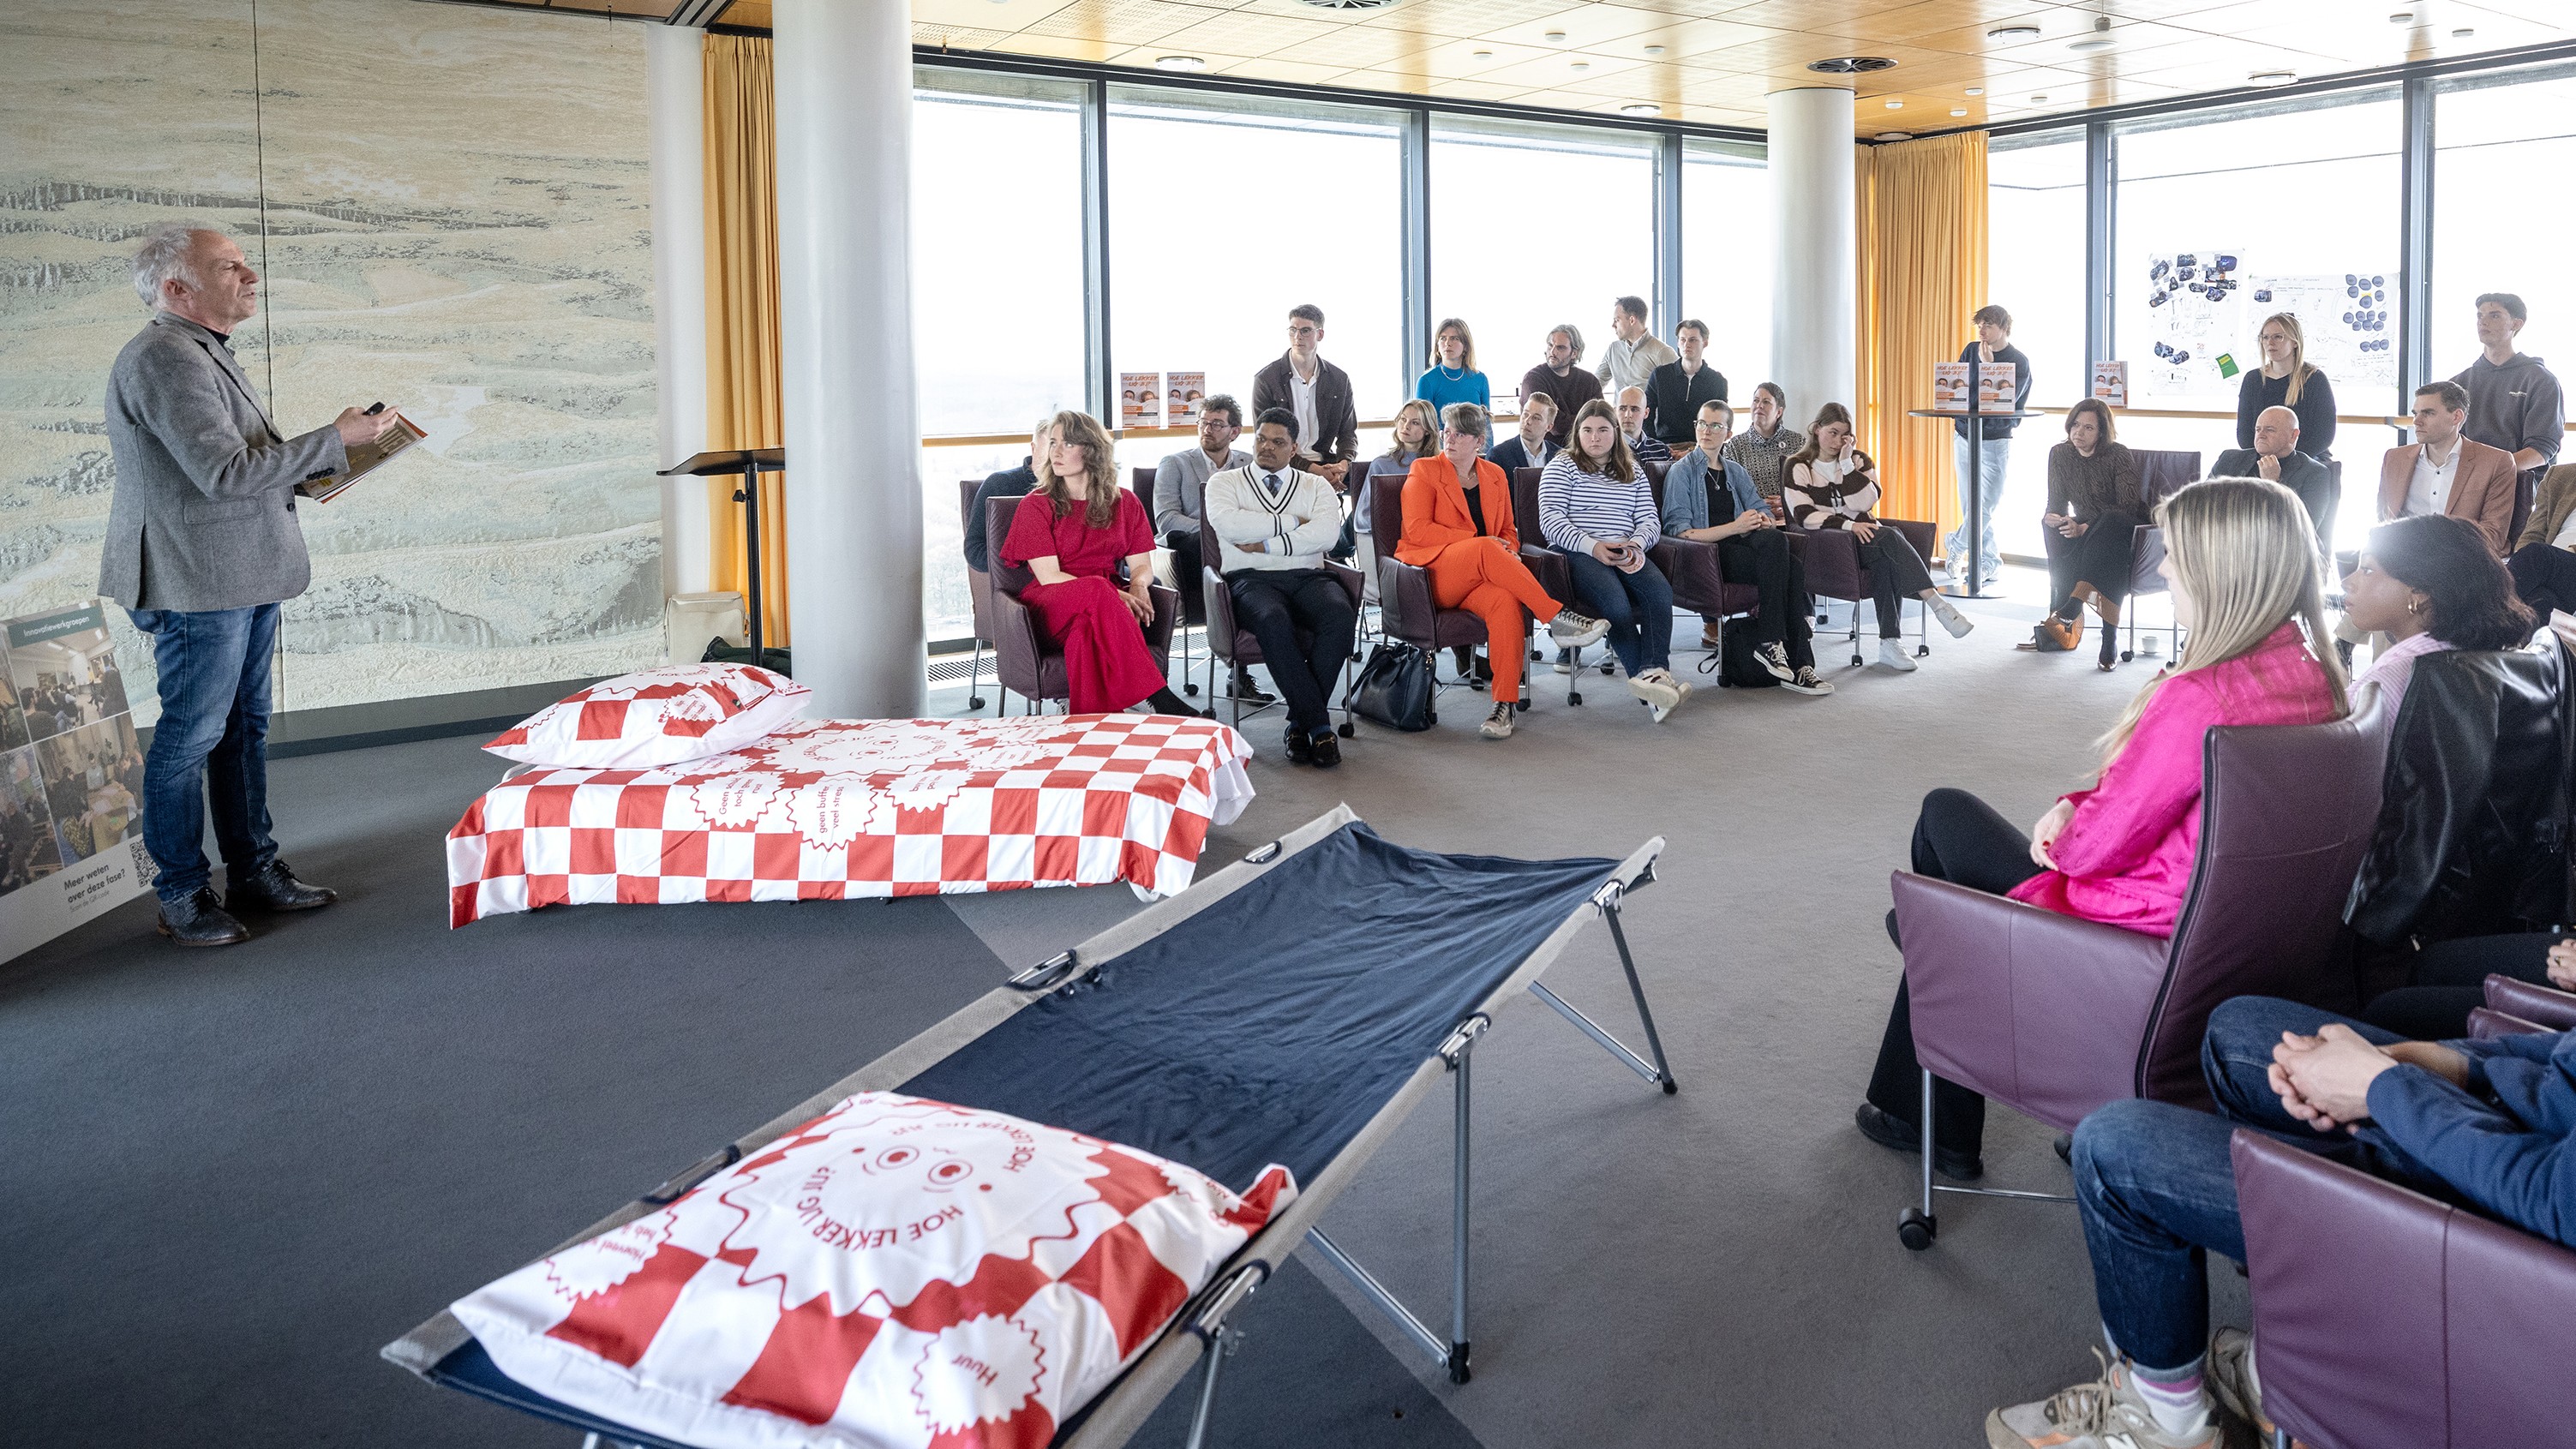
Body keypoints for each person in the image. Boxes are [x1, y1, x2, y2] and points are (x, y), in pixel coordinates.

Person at [1858, 477, 2347, 1183]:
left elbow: (2092, 849)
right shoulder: (2314, 674)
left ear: (2220, 569)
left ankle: (1932, 1098)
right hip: (2224, 941)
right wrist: (2075, 801)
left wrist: (2063, 829)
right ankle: (1938, 1023)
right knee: (1948, 861)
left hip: (2129, 940)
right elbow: (2159, 798)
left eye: (2175, 554)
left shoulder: (2201, 694)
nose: (2165, 569)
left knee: (1942, 827)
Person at [1993, 994, 2576, 1449]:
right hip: (2512, 1134)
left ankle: (2165, 1421)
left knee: (2112, 1150)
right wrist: (2425, 1064)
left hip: (2500, 1242)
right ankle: (2294, 1364)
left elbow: (2555, 1202)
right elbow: (2562, 1059)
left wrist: (2380, 1087)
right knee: (2238, 1036)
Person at [103, 224, 388, 947]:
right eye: (229, 266)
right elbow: (225, 474)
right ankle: (181, 895)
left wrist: (332, 460)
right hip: (197, 581)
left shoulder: (203, 350)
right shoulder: (164, 357)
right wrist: (335, 438)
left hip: (240, 569)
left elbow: (243, 461)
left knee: (241, 729)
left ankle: (253, 872)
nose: (250, 275)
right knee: (191, 736)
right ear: (177, 288)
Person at [1397, 403, 1611, 741]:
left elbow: (1509, 531)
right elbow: (1418, 530)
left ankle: (1504, 704)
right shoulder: (1424, 470)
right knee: (1485, 547)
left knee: (1505, 602)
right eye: (1447, 432)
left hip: (1484, 576)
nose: (1449, 439)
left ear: (1479, 441)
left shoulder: (1495, 475)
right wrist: (1482, 543)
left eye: (1460, 434)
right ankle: (1555, 617)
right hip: (1434, 576)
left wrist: (1506, 549)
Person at [998, 410, 1201, 720]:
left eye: (1067, 444)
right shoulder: (1035, 505)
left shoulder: (1125, 502)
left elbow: (1142, 566)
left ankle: (1091, 724)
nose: (1056, 451)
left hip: (1104, 608)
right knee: (1096, 588)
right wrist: (1114, 594)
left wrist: (1138, 586)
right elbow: (1049, 576)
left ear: (1092, 450)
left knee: (1084, 634)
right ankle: (1157, 695)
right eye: (1052, 443)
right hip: (1051, 604)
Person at [1206, 410, 1359, 768]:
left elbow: (1327, 535)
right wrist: (1293, 522)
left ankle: (1297, 723)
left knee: (1340, 615)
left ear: (1294, 449)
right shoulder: (1224, 483)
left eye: (1278, 442)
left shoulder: (1315, 485)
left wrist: (1266, 544)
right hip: (1250, 578)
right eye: (1261, 439)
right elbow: (1231, 526)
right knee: (1273, 619)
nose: (1266, 447)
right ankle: (1319, 726)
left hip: (1308, 576)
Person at [1781, 403, 1974, 671]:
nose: (1838, 441)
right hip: (1828, 545)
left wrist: (1847, 466)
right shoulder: (1797, 465)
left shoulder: (1858, 461)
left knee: (1886, 558)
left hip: (1867, 541)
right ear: (1816, 429)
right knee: (1891, 536)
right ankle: (1937, 604)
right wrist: (1848, 526)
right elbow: (1804, 515)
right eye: (1833, 433)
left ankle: (1890, 643)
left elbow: (1866, 501)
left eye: (1845, 435)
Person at [1663, 401, 1830, 696]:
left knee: (1784, 552)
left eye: (1716, 425)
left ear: (1728, 433)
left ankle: (1784, 653)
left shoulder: (1735, 471)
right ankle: (1790, 656)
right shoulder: (1682, 472)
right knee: (1789, 565)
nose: (1706, 431)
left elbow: (1760, 510)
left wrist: (1763, 520)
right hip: (1708, 557)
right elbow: (1680, 532)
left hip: (1742, 549)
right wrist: (1735, 527)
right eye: (1702, 423)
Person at [1539, 399, 1690, 722]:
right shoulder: (1561, 466)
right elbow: (1550, 521)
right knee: (1616, 602)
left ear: (1616, 432)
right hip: (1579, 552)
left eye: (1603, 430)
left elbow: (1649, 519)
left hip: (1626, 550)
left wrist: (1636, 545)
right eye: (1587, 430)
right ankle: (1652, 688)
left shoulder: (1632, 469)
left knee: (1659, 592)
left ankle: (1656, 673)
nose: (1595, 437)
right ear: (1577, 433)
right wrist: (1593, 547)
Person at [2342, 513, 2532, 719]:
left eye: (2367, 570)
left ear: (2420, 593)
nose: (2347, 583)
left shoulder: (2393, 675)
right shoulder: (2479, 662)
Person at [1151, 394, 1264, 702]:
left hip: (1234, 548)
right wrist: (1216, 531)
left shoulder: (1249, 465)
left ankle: (1239, 672)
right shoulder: (1175, 463)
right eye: (1203, 422)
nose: (1207, 429)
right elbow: (1166, 519)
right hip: (1187, 550)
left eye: (1216, 424)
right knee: (1217, 552)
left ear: (1234, 431)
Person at [2023, 398, 2143, 671]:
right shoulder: (2060, 454)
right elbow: (2056, 503)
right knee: (2054, 527)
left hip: (2126, 527)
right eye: (2075, 425)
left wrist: (2084, 527)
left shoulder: (2118, 454)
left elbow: (2128, 506)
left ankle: (2075, 607)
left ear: (2102, 432)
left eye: (2088, 428)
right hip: (2089, 529)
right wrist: (2054, 518)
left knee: (2109, 531)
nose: (2079, 432)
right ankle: (2074, 616)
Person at [2453, 292, 2566, 510]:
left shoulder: (2540, 380)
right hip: (2465, 486)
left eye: (2494, 315)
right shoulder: (2459, 383)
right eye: (2480, 315)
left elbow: (2541, 451)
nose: (2483, 321)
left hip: (2521, 488)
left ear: (2516, 324)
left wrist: (2490, 474)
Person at [2378, 380, 2517, 556]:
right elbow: (2384, 520)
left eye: (2428, 413)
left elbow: (2493, 535)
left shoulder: (2496, 462)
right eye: (2415, 413)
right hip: (2403, 556)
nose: (2417, 421)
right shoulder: (2394, 458)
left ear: (2456, 417)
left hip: (2461, 558)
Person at [1948, 305, 2033, 591]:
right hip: (1964, 435)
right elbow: (1959, 391)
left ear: (2004, 328)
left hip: (1996, 440)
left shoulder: (2018, 361)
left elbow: (2001, 401)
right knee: (1971, 505)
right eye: (1980, 325)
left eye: (1988, 325)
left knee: (1987, 504)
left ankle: (1957, 543)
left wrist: (1988, 368)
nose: (1982, 331)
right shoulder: (1971, 350)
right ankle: (1989, 562)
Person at [1250, 303, 1359, 488]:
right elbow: (1265, 439)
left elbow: (1348, 433)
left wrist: (1343, 465)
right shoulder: (1266, 379)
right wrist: (1313, 470)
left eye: (1305, 330)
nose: (1297, 336)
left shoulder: (1339, 380)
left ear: (1320, 334)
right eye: (1293, 330)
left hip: (1326, 463)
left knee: (1366, 485)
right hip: (1281, 467)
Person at [2212, 404, 2337, 564]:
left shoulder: (2315, 473)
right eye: (2258, 429)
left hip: (2282, 558)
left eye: (2270, 430)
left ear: (2293, 435)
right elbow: (2204, 504)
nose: (2261, 435)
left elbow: (2305, 529)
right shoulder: (2230, 459)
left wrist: (2273, 485)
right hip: (2227, 548)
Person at [1357, 398, 1442, 611]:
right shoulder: (1382, 464)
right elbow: (1363, 517)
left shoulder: (1440, 464)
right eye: (1403, 420)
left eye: (1415, 422)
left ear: (1428, 430)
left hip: (1430, 539)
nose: (1406, 426)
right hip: (1392, 542)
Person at [2233, 311, 2337, 461]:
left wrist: (2288, 461)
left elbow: (2324, 435)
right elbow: (2244, 435)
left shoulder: (2314, 378)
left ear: (2295, 342)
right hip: (2262, 459)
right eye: (2265, 337)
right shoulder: (2252, 380)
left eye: (2278, 337)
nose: (2270, 343)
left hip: (2306, 459)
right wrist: (2264, 459)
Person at [963, 418, 1051, 574]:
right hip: (1019, 578)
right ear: (1033, 449)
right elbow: (974, 551)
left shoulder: (1077, 487)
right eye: (1047, 456)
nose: (1053, 464)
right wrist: (1028, 564)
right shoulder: (1000, 484)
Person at [2506, 461, 2576, 622]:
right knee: (2541, 602)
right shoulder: (2561, 476)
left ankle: (2477, 613)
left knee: (2538, 554)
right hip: (2551, 571)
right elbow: (2532, 534)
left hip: (2550, 560)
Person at [1644, 318, 1725, 449]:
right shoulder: (1660, 375)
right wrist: (1655, 446)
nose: (1687, 344)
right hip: (1665, 445)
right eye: (1683, 340)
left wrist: (1699, 449)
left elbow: (1720, 421)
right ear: (1678, 342)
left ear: (1705, 342)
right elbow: (1646, 414)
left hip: (1700, 447)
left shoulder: (1717, 381)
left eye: (1693, 340)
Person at [1519, 325, 1603, 446]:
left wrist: (1586, 423)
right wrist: (1586, 422)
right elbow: (1556, 425)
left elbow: (1600, 419)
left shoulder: (1590, 381)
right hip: (1544, 450)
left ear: (1574, 353)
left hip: (1584, 449)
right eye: (1550, 345)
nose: (1553, 352)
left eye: (1560, 348)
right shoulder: (1534, 378)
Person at [1721, 382, 1802, 508]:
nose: (1759, 406)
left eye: (1766, 402)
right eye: (1756, 400)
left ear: (1779, 412)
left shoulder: (1797, 442)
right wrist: (1760, 505)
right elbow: (1730, 490)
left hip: (1793, 513)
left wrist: (1786, 503)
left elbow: (1809, 485)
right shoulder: (1735, 446)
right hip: (1752, 514)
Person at [1596, 296, 1677, 398]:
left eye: (1617, 320)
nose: (1613, 325)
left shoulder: (1662, 352)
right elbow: (1595, 384)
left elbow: (1678, 389)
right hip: (1618, 408)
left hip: (1648, 408)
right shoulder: (1614, 349)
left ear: (1632, 320)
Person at [1415, 317, 1489, 413]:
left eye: (1454, 338)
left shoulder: (1480, 380)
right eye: (1443, 338)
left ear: (1466, 346)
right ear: (1437, 346)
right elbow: (1422, 421)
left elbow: (1486, 420)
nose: (1448, 343)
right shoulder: (1426, 381)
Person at [1486, 392, 1557, 476]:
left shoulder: (1559, 456)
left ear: (1549, 427)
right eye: (1525, 414)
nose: (1528, 421)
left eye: (1536, 418)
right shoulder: (1498, 455)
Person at [1613, 386, 1672, 464]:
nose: (1628, 415)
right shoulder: (1607, 450)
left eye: (1634, 409)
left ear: (1646, 413)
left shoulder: (1662, 451)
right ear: (1615, 411)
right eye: (1622, 409)